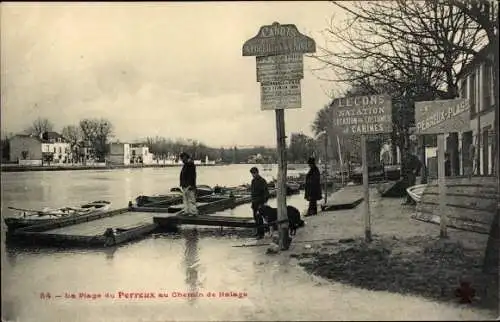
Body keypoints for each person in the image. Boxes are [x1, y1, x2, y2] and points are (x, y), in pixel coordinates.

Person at [250, 167, 269, 239]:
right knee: (255, 218)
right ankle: (258, 232)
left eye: (254, 173)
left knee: (260, 219)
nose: (253, 175)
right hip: (254, 203)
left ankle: (261, 234)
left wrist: (263, 203)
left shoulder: (262, 181)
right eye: (252, 174)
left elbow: (266, 193)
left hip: (260, 203)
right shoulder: (253, 181)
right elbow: (252, 193)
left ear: (257, 172)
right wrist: (252, 202)